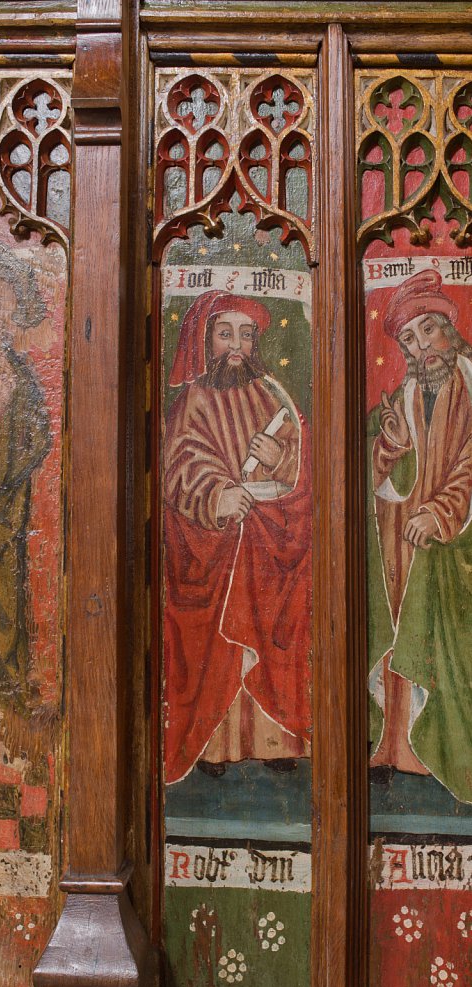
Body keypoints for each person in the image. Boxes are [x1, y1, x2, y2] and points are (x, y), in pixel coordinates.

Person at [164, 289, 312, 784]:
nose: (237, 346)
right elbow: (181, 465)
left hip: (266, 541)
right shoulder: (194, 399)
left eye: (245, 335)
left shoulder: (269, 395)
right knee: (222, 645)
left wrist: (282, 460)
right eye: (225, 333)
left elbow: (298, 457)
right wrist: (217, 495)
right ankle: (215, 744)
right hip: (217, 543)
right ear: (205, 340)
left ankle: (275, 740)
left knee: (274, 627)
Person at [368, 268, 472, 802]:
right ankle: (396, 749)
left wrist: (443, 511)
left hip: (455, 548)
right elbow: (380, 467)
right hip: (404, 543)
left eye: (428, 330)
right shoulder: (408, 394)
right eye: (409, 339)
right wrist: (388, 448)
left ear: (450, 331)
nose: (421, 347)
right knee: (399, 634)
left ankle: (449, 753)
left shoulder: (470, 384)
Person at [0, 240, 51, 715]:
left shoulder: (19, 375)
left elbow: (39, 437)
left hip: (5, 504)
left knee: (6, 599)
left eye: (4, 305)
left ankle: (9, 689)